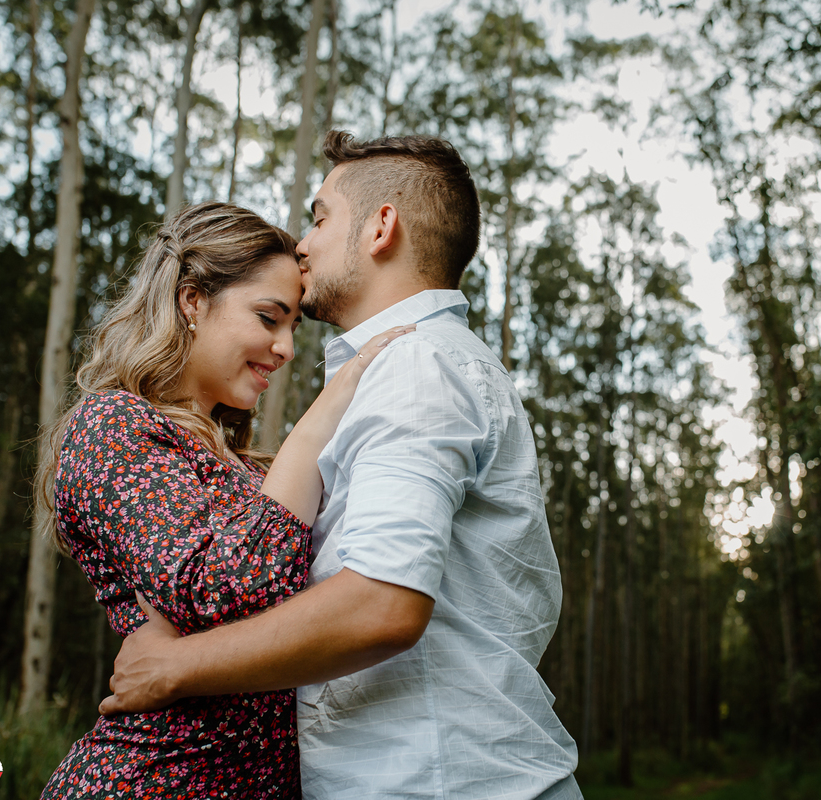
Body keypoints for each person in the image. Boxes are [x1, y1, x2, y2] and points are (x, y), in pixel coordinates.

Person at [101, 132, 583, 799]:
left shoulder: (418, 366)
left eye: (321, 216)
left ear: (382, 226)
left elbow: (382, 604)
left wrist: (175, 667)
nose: (303, 242)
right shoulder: (411, 367)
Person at [38, 202, 413, 799]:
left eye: (294, 327)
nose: (287, 346)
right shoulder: (112, 426)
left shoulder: (245, 469)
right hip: (157, 779)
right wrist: (323, 415)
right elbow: (222, 589)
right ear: (192, 300)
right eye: (269, 318)